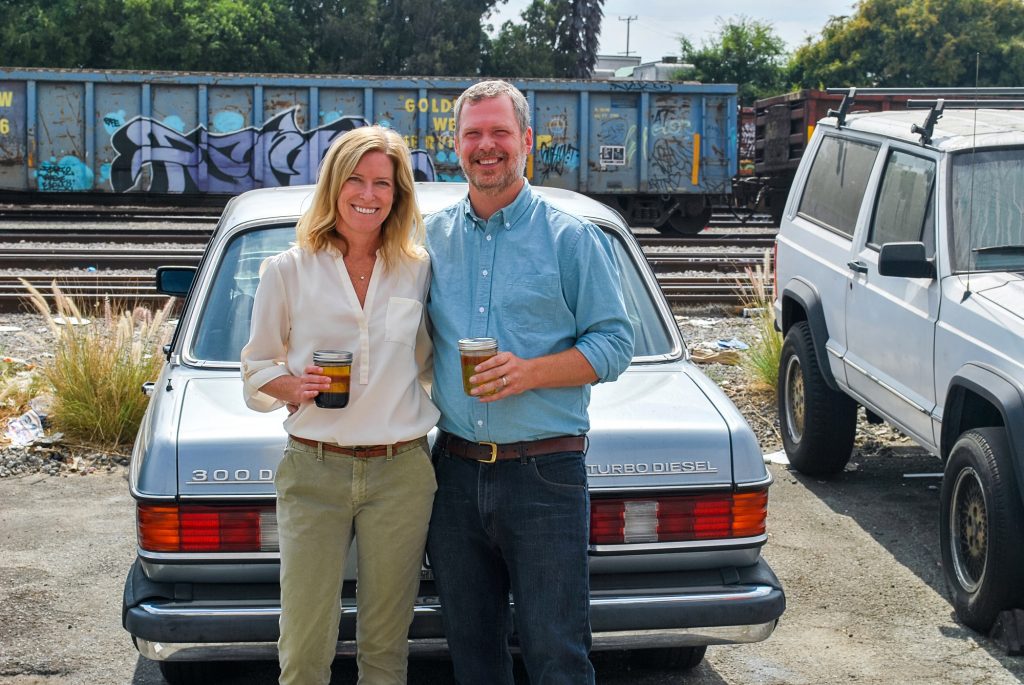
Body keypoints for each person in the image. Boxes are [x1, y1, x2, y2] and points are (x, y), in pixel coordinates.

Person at [424, 80, 635, 684]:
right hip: (454, 474)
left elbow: (615, 344)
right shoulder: (429, 239)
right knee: (472, 655)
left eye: (499, 133)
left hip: (545, 474)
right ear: (455, 145)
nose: (485, 146)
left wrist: (530, 372)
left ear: (527, 143)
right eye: (473, 134)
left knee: (557, 656)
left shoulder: (572, 237)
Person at [240, 125, 438, 685]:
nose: (368, 194)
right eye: (355, 179)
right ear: (333, 184)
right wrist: (289, 386)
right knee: (304, 648)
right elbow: (256, 365)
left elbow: (429, 363)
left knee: (385, 647)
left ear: (398, 194)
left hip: (402, 471)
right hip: (314, 468)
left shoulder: (418, 269)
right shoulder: (288, 269)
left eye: (383, 183)